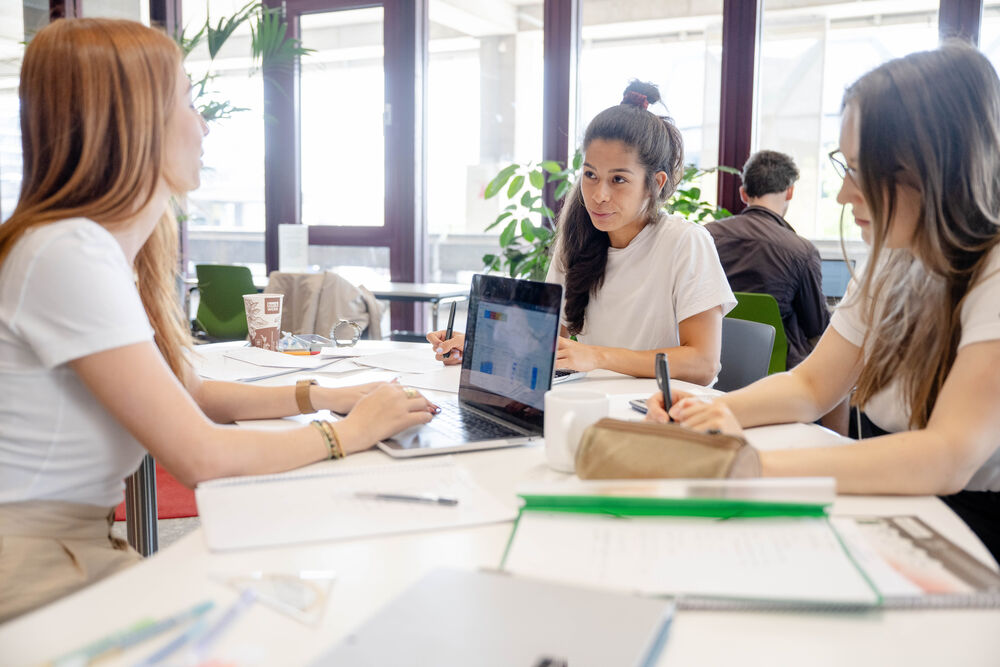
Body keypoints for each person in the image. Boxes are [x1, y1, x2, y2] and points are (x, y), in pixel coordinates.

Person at [0, 18, 436, 622]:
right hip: (36, 567)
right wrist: (351, 431)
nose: (203, 124)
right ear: (132, 121)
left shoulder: (96, 250)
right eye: (186, 100)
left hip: (74, 549)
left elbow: (192, 393)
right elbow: (200, 456)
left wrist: (326, 394)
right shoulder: (65, 252)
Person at [646, 43, 1000, 561]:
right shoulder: (893, 261)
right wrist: (707, 410)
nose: (843, 195)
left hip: (971, 532)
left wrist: (750, 465)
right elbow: (812, 384)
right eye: (846, 167)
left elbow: (947, 456)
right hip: (896, 500)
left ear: (934, 168)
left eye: (862, 170)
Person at [430, 81, 735, 382]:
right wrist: (478, 346)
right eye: (590, 175)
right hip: (593, 406)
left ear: (655, 184)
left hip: (660, 413)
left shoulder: (685, 242)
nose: (599, 194)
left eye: (618, 179)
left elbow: (703, 362)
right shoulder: (576, 241)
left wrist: (598, 356)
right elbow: (545, 345)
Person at [705, 150, 828, 369]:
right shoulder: (801, 250)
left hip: (712, 363)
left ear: (743, 194)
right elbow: (816, 329)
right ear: (789, 192)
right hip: (776, 373)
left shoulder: (706, 236)